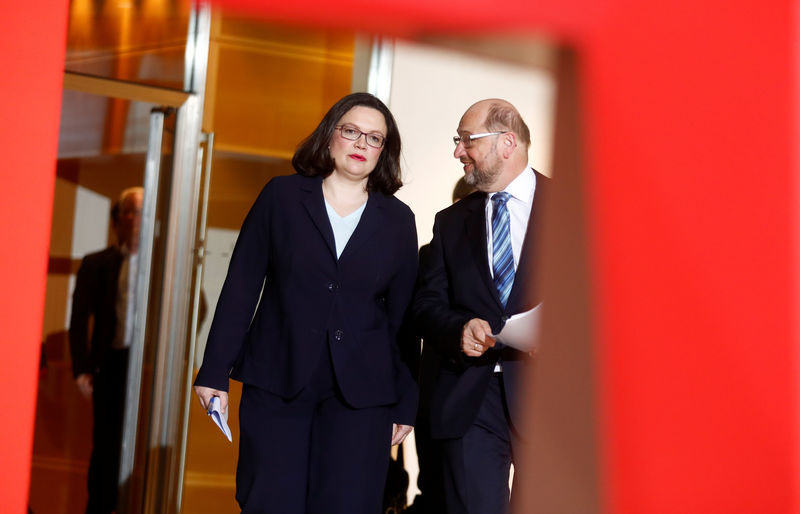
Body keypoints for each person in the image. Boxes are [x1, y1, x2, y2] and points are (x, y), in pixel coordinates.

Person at [193, 92, 419, 514]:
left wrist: (406, 403)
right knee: (268, 502)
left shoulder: (398, 220)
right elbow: (241, 286)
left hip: (362, 398)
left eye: (374, 138)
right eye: (351, 131)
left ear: (384, 152)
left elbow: (403, 321)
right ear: (330, 136)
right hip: (278, 382)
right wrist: (214, 372)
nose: (361, 144)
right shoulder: (281, 197)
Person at [411, 99, 549, 514]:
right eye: (458, 141)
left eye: (468, 140)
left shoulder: (575, 210)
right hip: (471, 396)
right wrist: (459, 328)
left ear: (508, 142)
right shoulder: (450, 222)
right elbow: (425, 304)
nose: (458, 151)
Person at [69, 187, 144, 514]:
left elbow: (196, 304)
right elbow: (79, 317)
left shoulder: (163, 265)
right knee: (105, 447)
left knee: (142, 445)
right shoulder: (97, 263)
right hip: (110, 363)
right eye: (127, 211)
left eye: (139, 211)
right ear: (118, 221)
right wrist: (81, 367)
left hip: (146, 367)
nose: (132, 218)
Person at [407, 177, 475, 514]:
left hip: (491, 393)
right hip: (437, 394)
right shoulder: (431, 255)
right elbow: (419, 318)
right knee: (435, 489)